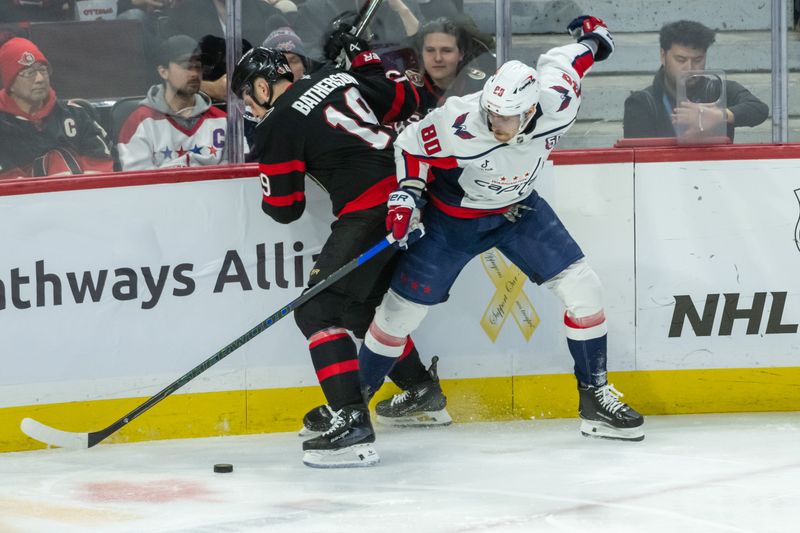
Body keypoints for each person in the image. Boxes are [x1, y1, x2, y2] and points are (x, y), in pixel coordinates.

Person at [355, 15, 646, 453]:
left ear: (532, 110)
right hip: (453, 223)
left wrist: (593, 37)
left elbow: (573, 58)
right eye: (491, 113)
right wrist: (408, 193)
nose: (494, 123)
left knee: (585, 290)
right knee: (397, 316)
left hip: (519, 211)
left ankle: (595, 401)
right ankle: (353, 408)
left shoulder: (558, 101)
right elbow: (410, 145)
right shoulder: (458, 120)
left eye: (507, 118)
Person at [230, 34, 447, 467]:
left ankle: (350, 424)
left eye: (245, 97)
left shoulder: (277, 124)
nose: (247, 109)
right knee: (356, 312)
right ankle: (422, 391)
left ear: (261, 85)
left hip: (371, 211)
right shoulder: (333, 78)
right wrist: (366, 58)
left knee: (315, 312)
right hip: (413, 196)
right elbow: (406, 97)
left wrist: (271, 154)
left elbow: (285, 209)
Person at [623, 20, 768, 141]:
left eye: (698, 60)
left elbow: (759, 109)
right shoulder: (641, 102)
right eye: (681, 59)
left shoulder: (717, 90)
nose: (690, 67)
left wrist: (718, 116)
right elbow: (641, 161)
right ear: (663, 55)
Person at [0, 37, 112, 179]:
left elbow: (102, 165)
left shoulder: (76, 114)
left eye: (43, 70)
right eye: (29, 73)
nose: (40, 79)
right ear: (11, 84)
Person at [116, 35, 230, 171]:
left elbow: (237, 177)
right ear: (163, 72)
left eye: (198, 66)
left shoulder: (223, 121)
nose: (194, 73)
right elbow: (137, 184)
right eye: (186, 66)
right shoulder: (140, 122)